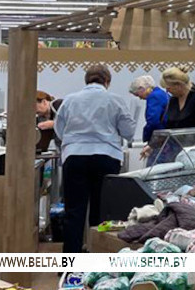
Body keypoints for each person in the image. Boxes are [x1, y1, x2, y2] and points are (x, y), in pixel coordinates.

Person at [54, 64, 136, 253]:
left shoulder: (70, 100)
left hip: (74, 156)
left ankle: (70, 260)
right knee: (101, 212)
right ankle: (98, 256)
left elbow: (60, 129)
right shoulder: (115, 100)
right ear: (107, 81)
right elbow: (128, 131)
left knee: (74, 212)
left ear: (86, 80)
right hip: (106, 157)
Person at [129, 76, 170, 165]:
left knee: (154, 169)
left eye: (137, 94)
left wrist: (148, 139)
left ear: (141, 88)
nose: (140, 98)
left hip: (158, 140)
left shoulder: (153, 96)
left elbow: (153, 121)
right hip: (167, 139)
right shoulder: (163, 94)